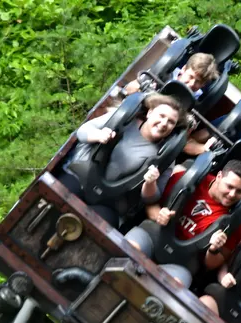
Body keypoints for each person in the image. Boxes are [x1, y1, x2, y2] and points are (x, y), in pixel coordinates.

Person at [124, 158, 241, 287]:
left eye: (239, 191)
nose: (232, 194)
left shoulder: (238, 220)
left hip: (182, 261)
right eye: (230, 186)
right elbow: (150, 204)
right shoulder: (189, 179)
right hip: (154, 235)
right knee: (127, 249)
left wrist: (214, 249)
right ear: (219, 176)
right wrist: (159, 215)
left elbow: (212, 264)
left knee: (172, 286)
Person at [62, 93, 186, 227]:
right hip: (80, 177)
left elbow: (151, 198)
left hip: (110, 203)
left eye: (171, 122)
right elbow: (83, 130)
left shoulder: (165, 156)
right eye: (161, 116)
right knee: (62, 193)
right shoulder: (125, 118)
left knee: (98, 224)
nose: (164, 123)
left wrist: (150, 182)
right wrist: (99, 135)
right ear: (150, 112)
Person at [123, 52, 219, 96]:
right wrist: (142, 87)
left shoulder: (195, 97)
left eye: (198, 82)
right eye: (191, 76)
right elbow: (128, 89)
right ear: (183, 69)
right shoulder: (163, 73)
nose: (192, 83)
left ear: (203, 84)